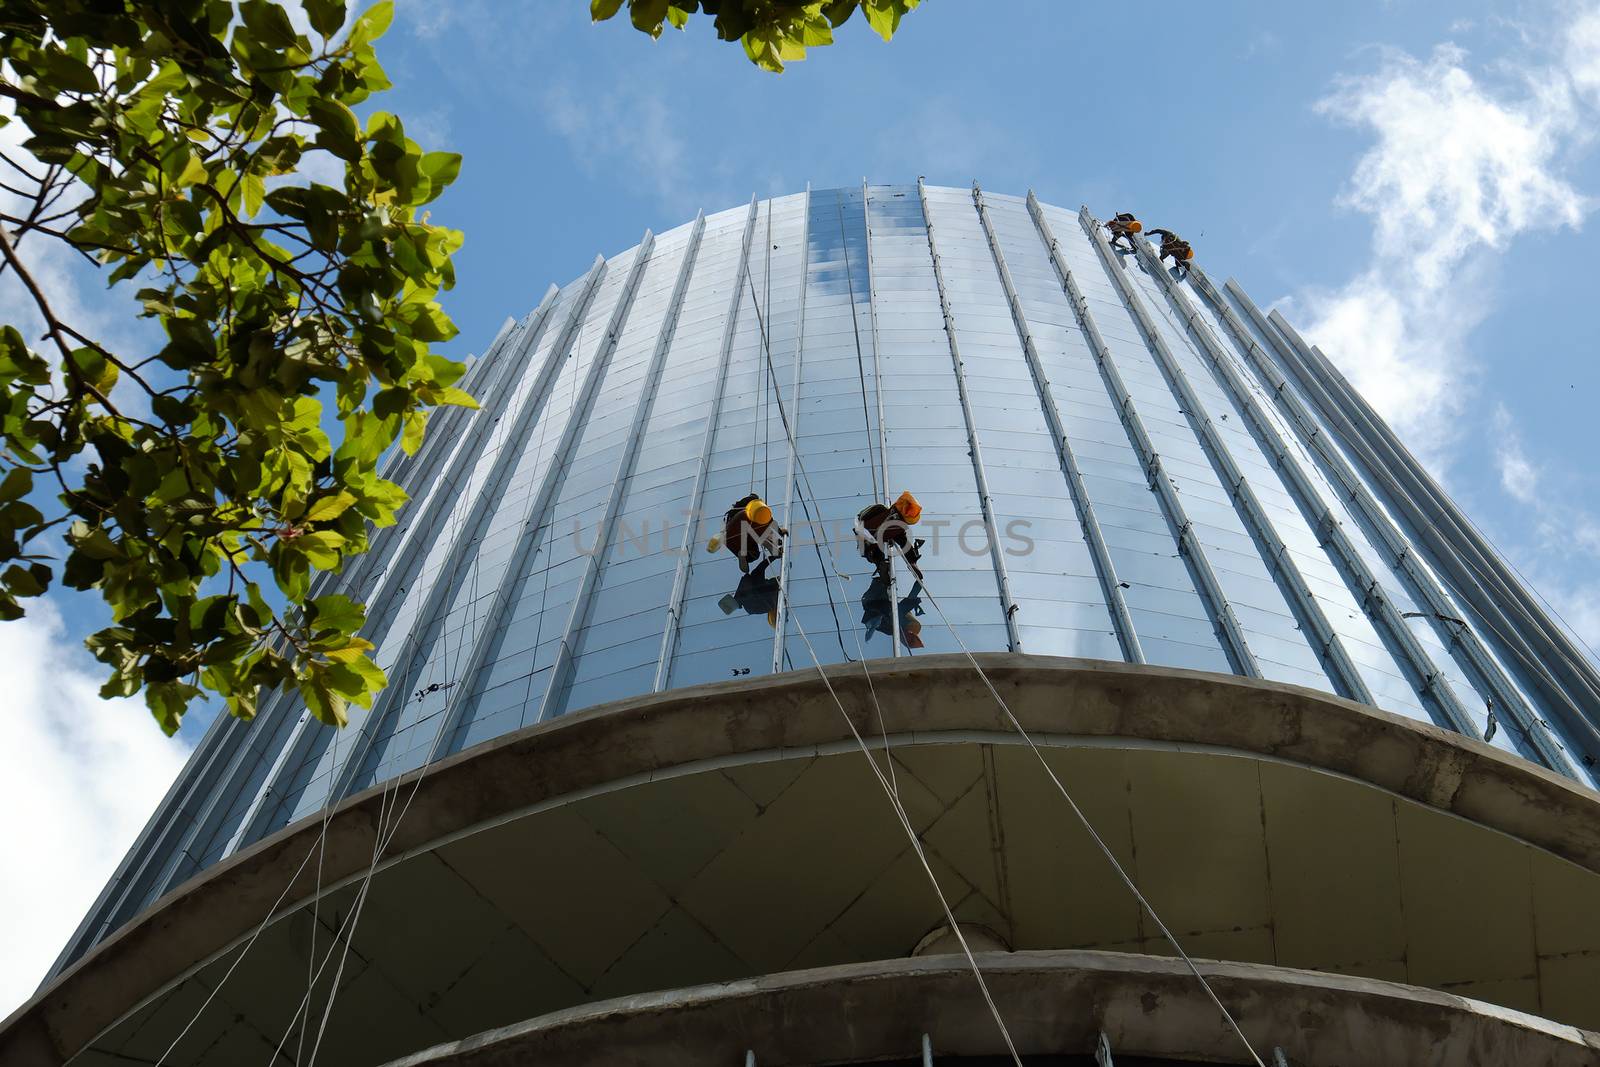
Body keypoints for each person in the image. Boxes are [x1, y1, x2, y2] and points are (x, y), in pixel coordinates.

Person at [855, 490, 925, 581]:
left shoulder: (882, 510)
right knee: (903, 541)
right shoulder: (899, 524)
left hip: (869, 533)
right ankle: (912, 560)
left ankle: (881, 564)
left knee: (872, 548)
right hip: (878, 532)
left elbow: (860, 521)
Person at [706, 493, 785, 573]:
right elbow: (768, 519)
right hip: (745, 519)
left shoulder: (735, 509)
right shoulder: (755, 503)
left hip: (730, 534)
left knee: (752, 554)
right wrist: (780, 531)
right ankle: (770, 546)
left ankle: (742, 554)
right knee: (761, 529)